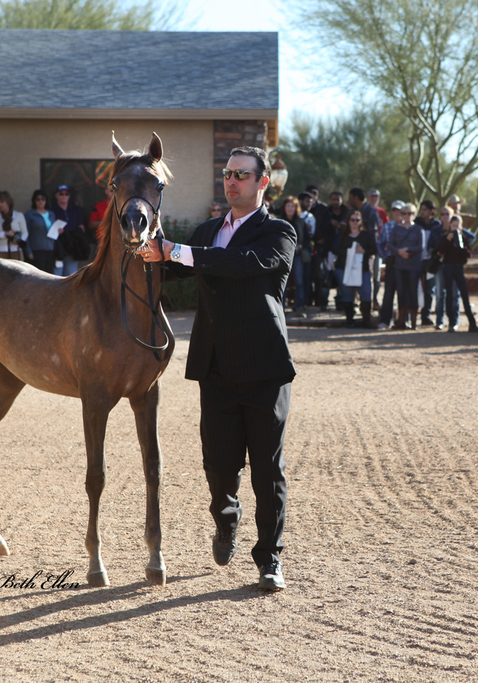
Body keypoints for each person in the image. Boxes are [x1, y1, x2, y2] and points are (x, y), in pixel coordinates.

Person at [139, 145, 296, 592]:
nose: (232, 181)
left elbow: (244, 265)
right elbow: (168, 268)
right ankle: (226, 519)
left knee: (267, 469)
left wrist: (177, 251)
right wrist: (144, 251)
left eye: (242, 175)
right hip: (216, 369)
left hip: (265, 368)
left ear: (263, 183)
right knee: (218, 465)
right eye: (227, 174)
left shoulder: (278, 232)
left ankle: (270, 559)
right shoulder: (209, 230)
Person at [435, 213, 478, 332]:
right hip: (448, 268)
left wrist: (460, 246)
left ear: (461, 226)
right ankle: (451, 322)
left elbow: (468, 254)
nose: (455, 228)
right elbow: (440, 252)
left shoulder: (463, 238)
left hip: (459, 268)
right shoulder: (445, 237)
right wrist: (448, 240)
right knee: (450, 295)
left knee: (464, 295)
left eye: (457, 225)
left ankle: (472, 323)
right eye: (453, 225)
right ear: (450, 225)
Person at [332, 209, 377, 328]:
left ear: (361, 221)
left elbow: (374, 249)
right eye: (352, 220)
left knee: (366, 292)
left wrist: (364, 251)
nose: (355, 222)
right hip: (344, 268)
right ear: (348, 221)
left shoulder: (366, 235)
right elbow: (335, 249)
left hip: (363, 269)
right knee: (347, 294)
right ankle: (350, 321)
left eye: (357, 220)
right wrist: (349, 251)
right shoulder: (342, 234)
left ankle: (366, 320)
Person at [390, 203, 425, 329]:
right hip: (399, 266)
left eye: (409, 213)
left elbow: (421, 247)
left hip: (413, 266)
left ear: (414, 215)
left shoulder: (418, 230)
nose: (406, 216)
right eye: (404, 213)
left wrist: (408, 249)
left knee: (412, 292)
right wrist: (399, 251)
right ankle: (402, 321)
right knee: (401, 292)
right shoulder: (396, 229)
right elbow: (390, 245)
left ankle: (414, 322)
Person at [376, 200, 405, 329]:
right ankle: (385, 320)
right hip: (391, 263)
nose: (397, 213)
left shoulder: (409, 226)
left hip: (405, 264)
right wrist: (385, 256)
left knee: (403, 293)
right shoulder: (387, 226)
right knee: (388, 293)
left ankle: (403, 320)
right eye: (394, 210)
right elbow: (380, 243)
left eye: (400, 210)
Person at [280, 195, 309, 316]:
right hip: (282, 256)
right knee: (282, 283)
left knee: (299, 281)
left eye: (293, 206)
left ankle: (300, 307)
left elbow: (307, 239)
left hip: (297, 255)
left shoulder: (301, 222)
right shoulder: (279, 221)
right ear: (284, 207)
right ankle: (280, 308)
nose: (290, 208)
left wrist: (301, 246)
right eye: (288, 206)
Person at [51, 185, 87, 276]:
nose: (64, 196)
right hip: (58, 247)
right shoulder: (51, 210)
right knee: (56, 275)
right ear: (56, 195)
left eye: (66, 194)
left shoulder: (75, 210)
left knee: (71, 275)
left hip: (72, 247)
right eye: (61, 194)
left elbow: (81, 227)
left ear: (69, 196)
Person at [25, 190, 58, 273]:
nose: (41, 201)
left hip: (51, 250)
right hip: (36, 250)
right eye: (38, 199)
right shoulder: (30, 214)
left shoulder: (51, 214)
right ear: (34, 201)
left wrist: (59, 231)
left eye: (43, 199)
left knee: (50, 276)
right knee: (39, 277)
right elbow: (25, 234)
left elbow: (53, 232)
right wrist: (28, 251)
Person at [0, 191, 28, 261]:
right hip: (0, 251)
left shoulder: (18, 216)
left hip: (16, 250)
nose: (0, 205)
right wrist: (5, 234)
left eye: (2, 202)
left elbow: (25, 232)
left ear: (8, 202)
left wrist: (19, 240)